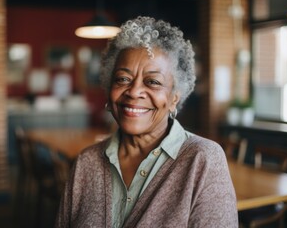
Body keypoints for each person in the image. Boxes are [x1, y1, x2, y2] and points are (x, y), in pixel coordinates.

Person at [55, 16, 238, 227]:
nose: (134, 92)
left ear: (174, 98)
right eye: (123, 79)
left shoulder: (203, 160)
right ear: (108, 87)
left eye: (153, 82)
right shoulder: (86, 162)